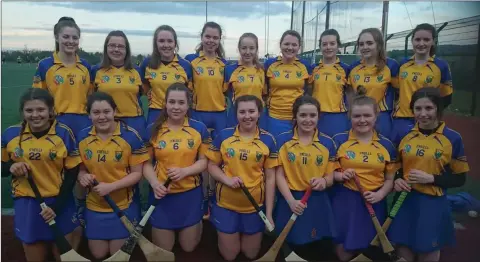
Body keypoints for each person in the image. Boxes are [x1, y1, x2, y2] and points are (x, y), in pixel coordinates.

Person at [388, 87, 469, 262]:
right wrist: (396, 179)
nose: (423, 114)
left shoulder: (453, 138)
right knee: (404, 250)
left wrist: (431, 179)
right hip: (405, 200)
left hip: (432, 203)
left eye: (429, 108)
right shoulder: (404, 134)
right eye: (418, 109)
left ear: (438, 109)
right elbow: (394, 167)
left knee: (427, 251)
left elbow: (460, 178)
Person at [1, 88, 81, 262]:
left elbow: (72, 174)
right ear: (22, 112)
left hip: (60, 201)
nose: (35, 115)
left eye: (40, 110)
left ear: (51, 111)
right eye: (29, 110)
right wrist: (11, 167)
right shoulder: (10, 134)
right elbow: (2, 168)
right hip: (28, 203)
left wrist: (57, 207)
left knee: (65, 258)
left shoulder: (64, 134)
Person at [76, 92, 149, 259]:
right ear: (89, 114)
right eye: (96, 112)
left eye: (106, 112)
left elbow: (138, 174)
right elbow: (81, 170)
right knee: (98, 253)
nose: (102, 117)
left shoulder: (130, 136)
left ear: (115, 112)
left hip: (123, 205)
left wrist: (111, 186)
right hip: (94, 205)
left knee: (117, 255)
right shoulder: (82, 137)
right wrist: (83, 177)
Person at [205, 95, 277, 261]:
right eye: (242, 112)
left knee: (250, 254)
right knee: (230, 256)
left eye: (252, 111)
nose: (247, 116)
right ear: (236, 114)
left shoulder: (268, 140)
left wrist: (269, 213)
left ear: (259, 113)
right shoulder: (224, 136)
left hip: (255, 207)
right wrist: (227, 180)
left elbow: (271, 179)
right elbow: (211, 166)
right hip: (226, 205)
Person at [331, 87, 398, 261]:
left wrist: (380, 194)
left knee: (371, 249)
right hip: (346, 200)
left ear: (376, 116)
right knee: (343, 249)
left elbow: (390, 179)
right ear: (350, 117)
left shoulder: (387, 145)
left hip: (374, 201)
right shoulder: (339, 140)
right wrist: (340, 176)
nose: (362, 120)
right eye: (357, 116)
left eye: (367, 116)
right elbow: (329, 174)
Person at [143, 83, 210, 252]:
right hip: (162, 195)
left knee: (189, 248)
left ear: (188, 105)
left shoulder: (199, 129)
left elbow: (204, 162)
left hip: (190, 194)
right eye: (172, 102)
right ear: (165, 103)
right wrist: (154, 184)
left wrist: (185, 171)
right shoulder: (153, 130)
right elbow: (146, 163)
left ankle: (198, 220)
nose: (176, 107)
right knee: (164, 249)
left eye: (181, 103)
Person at [274, 95, 337, 250]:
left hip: (316, 200)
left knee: (316, 246)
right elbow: (279, 175)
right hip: (290, 200)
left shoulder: (328, 143)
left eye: (312, 115)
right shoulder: (282, 141)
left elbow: (330, 177)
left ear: (318, 117)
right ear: (295, 116)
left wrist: (324, 182)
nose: (307, 120)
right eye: (302, 115)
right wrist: (290, 201)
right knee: (290, 244)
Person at [185, 21, 228, 218]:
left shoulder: (224, 65)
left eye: (215, 37)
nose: (211, 41)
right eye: (208, 36)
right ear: (202, 37)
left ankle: (214, 197)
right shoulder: (191, 61)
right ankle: (202, 197)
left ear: (220, 40)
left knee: (218, 159)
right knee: (199, 158)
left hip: (219, 115)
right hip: (198, 113)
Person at [33, 17, 92, 137]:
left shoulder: (85, 66)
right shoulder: (45, 65)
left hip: (84, 123)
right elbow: (37, 98)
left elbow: (91, 96)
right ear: (56, 37)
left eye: (75, 38)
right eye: (66, 37)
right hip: (56, 122)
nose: (71, 41)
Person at [392, 23, 453, 132]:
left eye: (426, 40)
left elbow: (446, 97)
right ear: (412, 41)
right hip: (401, 119)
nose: (421, 43)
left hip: (426, 121)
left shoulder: (441, 66)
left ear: (433, 41)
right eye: (417, 39)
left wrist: (429, 113)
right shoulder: (403, 64)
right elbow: (397, 90)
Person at [91, 30, 147, 143]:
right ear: (106, 48)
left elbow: (143, 93)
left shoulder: (136, 71)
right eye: (112, 45)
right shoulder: (96, 71)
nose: (116, 49)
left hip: (134, 121)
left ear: (127, 50)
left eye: (121, 46)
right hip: (106, 122)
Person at [348, 28, 399, 139]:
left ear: (379, 44)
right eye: (361, 44)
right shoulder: (353, 67)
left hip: (382, 117)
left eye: (369, 43)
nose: (365, 47)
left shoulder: (391, 65)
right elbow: (350, 94)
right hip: (359, 118)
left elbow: (399, 93)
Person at [139, 25, 193, 126]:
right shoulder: (147, 63)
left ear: (175, 43)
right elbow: (143, 89)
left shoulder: (185, 65)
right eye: (161, 41)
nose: (166, 45)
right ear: (156, 43)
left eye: (169, 41)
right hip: (155, 112)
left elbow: (190, 93)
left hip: (179, 113)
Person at [264, 30, 311, 137]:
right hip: (274, 117)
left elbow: (309, 91)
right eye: (286, 44)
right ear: (280, 45)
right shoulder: (270, 64)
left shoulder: (305, 66)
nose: (290, 48)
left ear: (299, 47)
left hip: (298, 118)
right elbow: (264, 90)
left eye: (294, 45)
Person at [308, 29, 351, 138]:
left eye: (332, 43)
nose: (328, 47)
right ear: (320, 47)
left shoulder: (345, 69)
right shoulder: (313, 68)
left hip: (338, 116)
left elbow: (350, 94)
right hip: (316, 115)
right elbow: (308, 92)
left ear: (338, 46)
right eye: (324, 44)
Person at [225, 33, 267, 130]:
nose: (247, 52)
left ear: (256, 49)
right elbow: (226, 92)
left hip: (257, 117)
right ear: (239, 49)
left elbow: (264, 94)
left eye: (251, 48)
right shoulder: (230, 70)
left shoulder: (262, 70)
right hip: (237, 116)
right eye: (244, 48)